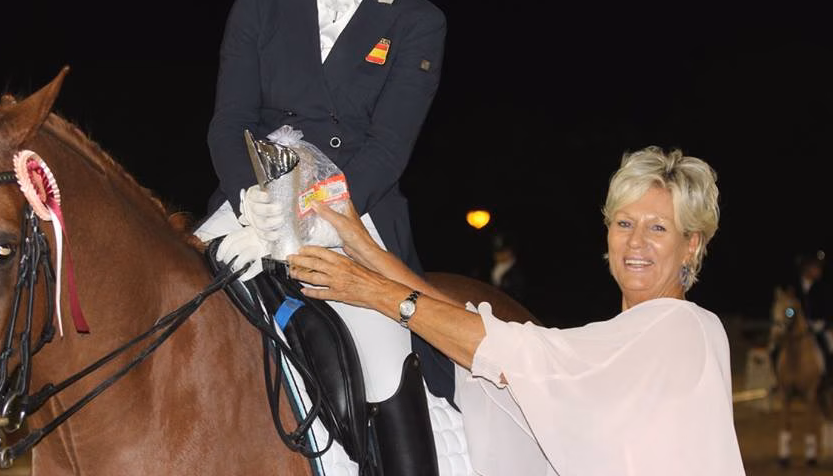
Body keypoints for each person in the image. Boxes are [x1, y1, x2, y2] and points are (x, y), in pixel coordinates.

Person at [193, 0, 450, 471]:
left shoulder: (418, 21)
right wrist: (254, 201)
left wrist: (313, 218)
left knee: (385, 358)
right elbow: (229, 120)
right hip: (250, 207)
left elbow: (388, 147)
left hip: (351, 218)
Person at [287, 146, 746, 475]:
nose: (636, 242)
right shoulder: (616, 342)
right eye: (624, 223)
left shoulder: (685, 327)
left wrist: (371, 292)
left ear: (691, 245)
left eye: (658, 228)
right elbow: (499, 340)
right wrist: (367, 249)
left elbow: (513, 355)